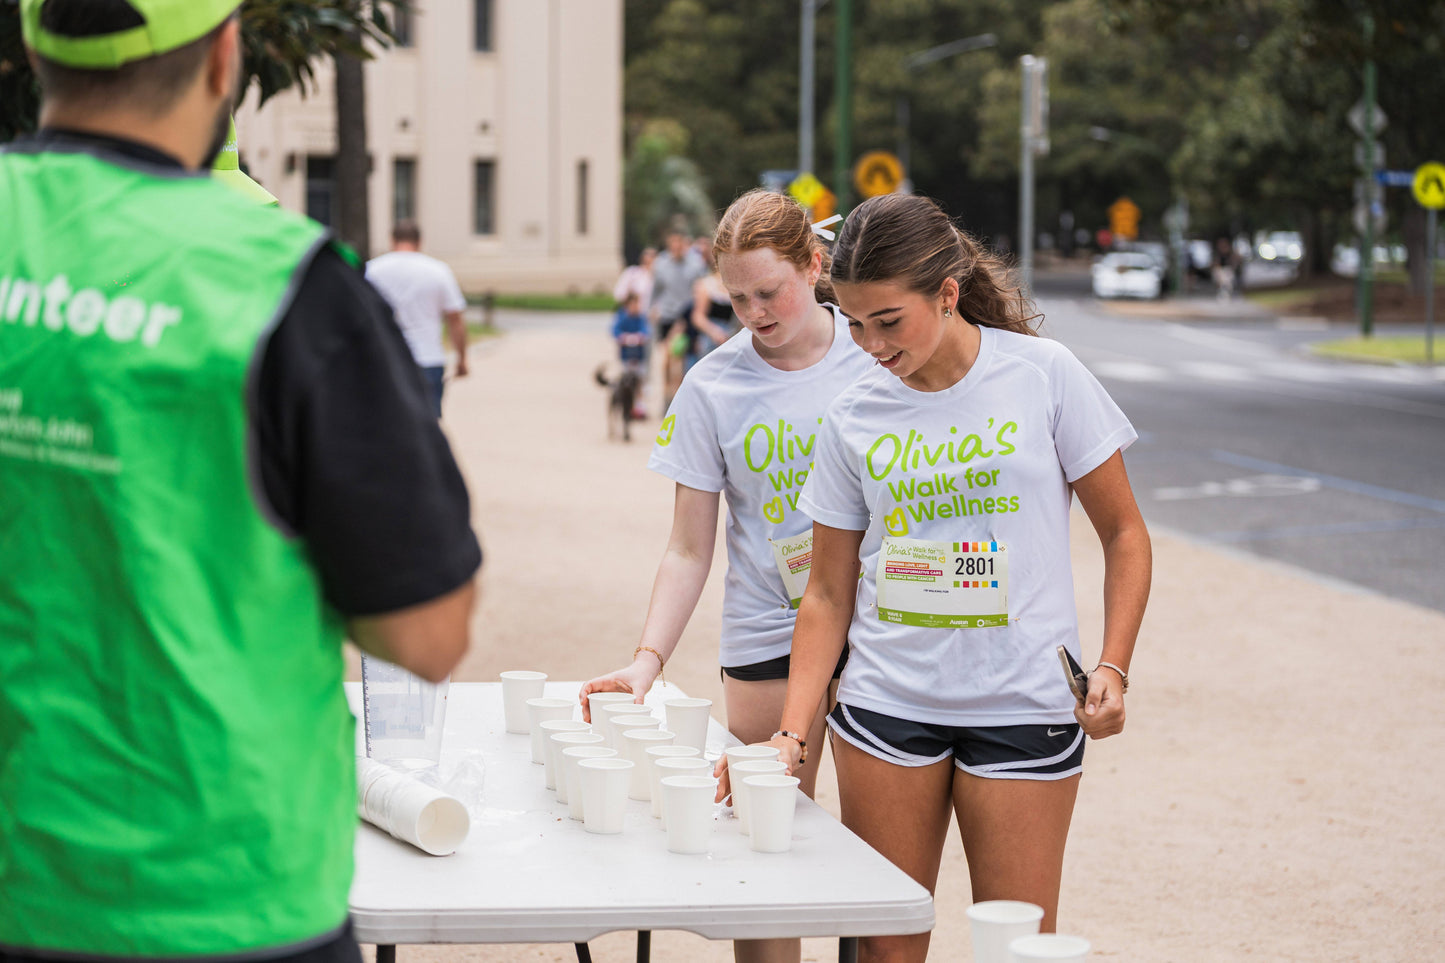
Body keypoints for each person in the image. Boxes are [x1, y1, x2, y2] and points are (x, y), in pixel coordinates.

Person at [0, 2, 482, 961]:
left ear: (34, 46)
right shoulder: (286, 284)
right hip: (222, 886)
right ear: (226, 58)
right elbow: (425, 633)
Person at [759, 193, 1151, 962]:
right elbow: (828, 592)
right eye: (855, 321)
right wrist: (790, 732)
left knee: (1016, 949)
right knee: (882, 949)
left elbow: (1126, 534)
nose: (869, 344)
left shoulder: (1043, 375)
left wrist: (1112, 665)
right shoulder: (853, 413)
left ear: (946, 291)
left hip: (1024, 703)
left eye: (888, 321)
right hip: (885, 702)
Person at [580, 190, 875, 963]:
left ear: (815, 265)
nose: (752, 311)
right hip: (767, 637)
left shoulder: (877, 357)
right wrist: (647, 659)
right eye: (735, 297)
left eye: (768, 291)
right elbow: (687, 548)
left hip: (881, 635)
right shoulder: (711, 386)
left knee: (874, 872)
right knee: (765, 862)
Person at [365, 220, 469, 418]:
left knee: (386, 422)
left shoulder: (372, 270)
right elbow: (455, 319)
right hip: (428, 358)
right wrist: (461, 359)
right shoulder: (438, 271)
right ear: (420, 242)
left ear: (392, 240)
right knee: (427, 426)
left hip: (385, 358)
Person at [613, 291, 650, 376]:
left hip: (639, 354)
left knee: (640, 374)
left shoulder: (640, 317)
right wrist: (624, 337)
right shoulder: (623, 317)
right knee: (626, 374)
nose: (635, 307)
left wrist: (640, 336)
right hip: (626, 354)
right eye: (633, 304)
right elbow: (615, 330)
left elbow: (646, 330)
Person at [613, 246, 656, 317]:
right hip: (632, 315)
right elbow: (619, 293)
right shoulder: (632, 272)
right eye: (649, 255)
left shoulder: (659, 277)